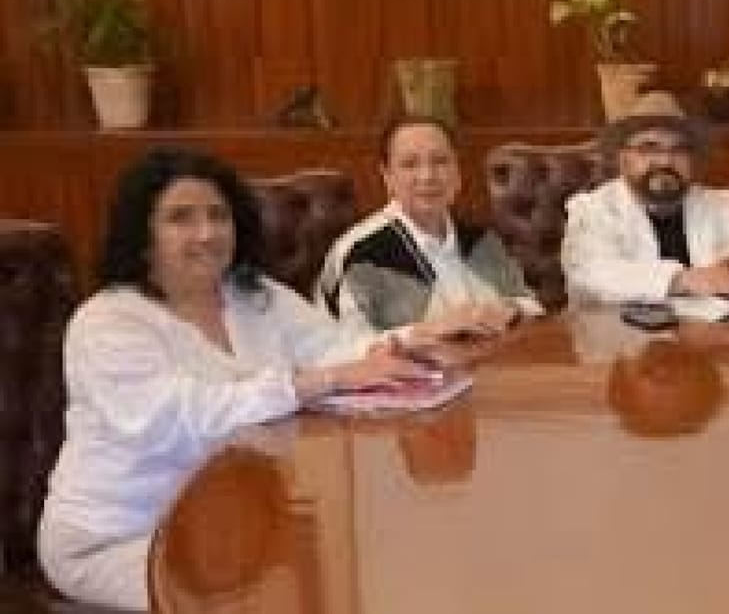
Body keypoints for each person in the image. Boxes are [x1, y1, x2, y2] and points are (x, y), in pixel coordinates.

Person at [38, 147, 483, 610]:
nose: (207, 233)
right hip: (123, 537)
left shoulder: (254, 295)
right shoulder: (106, 322)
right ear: (142, 233)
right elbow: (178, 418)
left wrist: (413, 340)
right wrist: (316, 382)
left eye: (218, 215)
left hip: (228, 525)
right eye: (180, 218)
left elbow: (336, 348)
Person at [318, 115, 540, 333]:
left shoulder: (480, 239)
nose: (427, 176)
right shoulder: (360, 253)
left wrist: (509, 309)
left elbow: (530, 304)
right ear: (387, 177)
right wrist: (428, 330)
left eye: (440, 161)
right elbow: (349, 344)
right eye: (410, 164)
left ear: (457, 172)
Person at [561, 113, 729, 304]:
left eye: (679, 150)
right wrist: (680, 280)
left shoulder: (716, 203)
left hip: (709, 337)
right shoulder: (591, 209)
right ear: (623, 159)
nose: (665, 161)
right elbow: (589, 273)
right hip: (616, 340)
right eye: (648, 148)